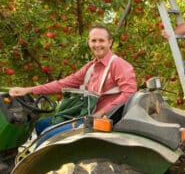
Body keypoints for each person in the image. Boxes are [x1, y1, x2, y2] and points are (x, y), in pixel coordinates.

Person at [9, 25, 137, 141]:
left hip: (103, 121)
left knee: (48, 135)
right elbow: (63, 84)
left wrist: (101, 112)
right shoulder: (90, 67)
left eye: (101, 40)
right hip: (86, 116)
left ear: (110, 42)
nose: (97, 44)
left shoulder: (119, 65)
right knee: (41, 125)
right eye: (93, 41)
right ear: (89, 43)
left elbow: (129, 93)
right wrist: (28, 90)